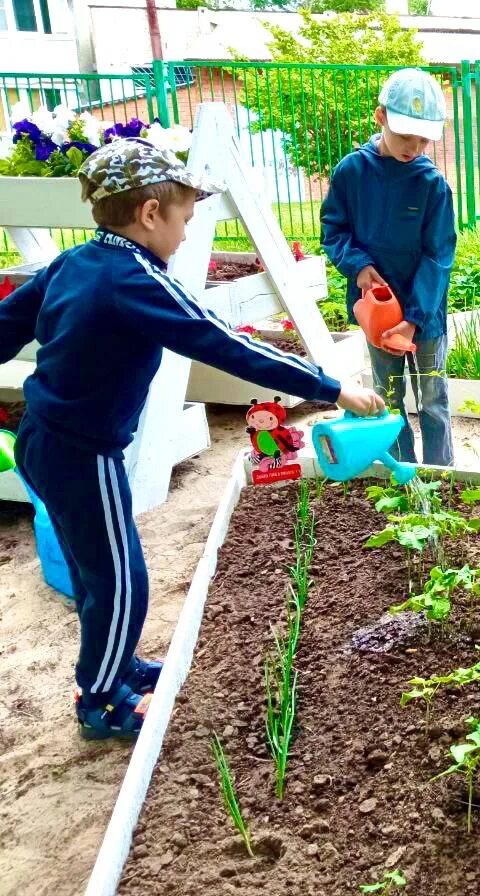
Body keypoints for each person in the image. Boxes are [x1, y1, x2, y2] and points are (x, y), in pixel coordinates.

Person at [0, 139, 384, 741]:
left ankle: (118, 666)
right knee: (122, 580)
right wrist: (331, 388)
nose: (184, 233)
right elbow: (223, 341)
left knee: (96, 568)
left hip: (45, 438)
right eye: (182, 218)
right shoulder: (135, 279)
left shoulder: (77, 263)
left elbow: (7, 323)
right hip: (81, 451)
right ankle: (101, 701)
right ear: (150, 214)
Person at [321, 67, 456, 466]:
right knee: (389, 395)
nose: (413, 146)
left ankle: (440, 474)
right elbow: (334, 229)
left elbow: (439, 257)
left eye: (422, 139)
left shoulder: (432, 185)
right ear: (380, 117)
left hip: (423, 317)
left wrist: (414, 319)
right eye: (404, 135)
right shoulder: (351, 172)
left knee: (433, 398)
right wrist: (358, 265)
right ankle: (404, 474)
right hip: (378, 316)